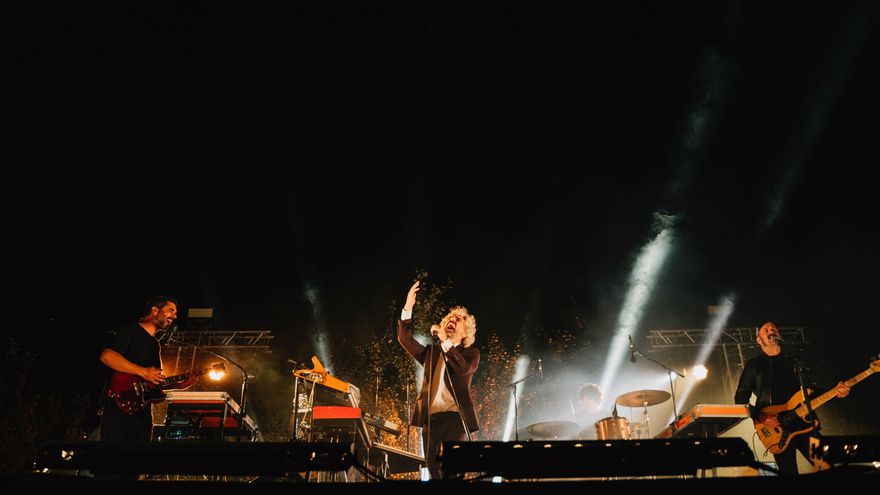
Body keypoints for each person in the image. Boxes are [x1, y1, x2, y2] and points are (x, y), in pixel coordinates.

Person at [734, 321, 850, 474]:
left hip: (805, 425)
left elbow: (811, 392)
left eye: (773, 328)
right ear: (758, 340)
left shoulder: (794, 361)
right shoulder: (754, 365)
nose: (770, 331)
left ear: (779, 335)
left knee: (827, 466)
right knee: (789, 473)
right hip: (776, 429)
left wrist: (836, 392)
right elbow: (740, 398)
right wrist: (759, 416)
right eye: (765, 330)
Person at [397, 280, 480, 479]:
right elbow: (405, 340)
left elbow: (462, 370)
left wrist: (446, 341)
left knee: (452, 472)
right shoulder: (431, 353)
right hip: (431, 420)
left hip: (455, 419)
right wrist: (408, 307)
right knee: (434, 472)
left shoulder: (471, 353)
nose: (453, 319)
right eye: (450, 316)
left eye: (458, 318)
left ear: (466, 329)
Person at [98, 295, 177, 443]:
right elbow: (107, 356)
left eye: (175, 312)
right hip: (118, 407)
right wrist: (144, 372)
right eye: (170, 310)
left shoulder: (154, 345)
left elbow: (153, 381)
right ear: (155, 310)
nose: (175, 315)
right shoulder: (131, 330)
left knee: (138, 459)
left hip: (141, 411)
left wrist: (179, 384)